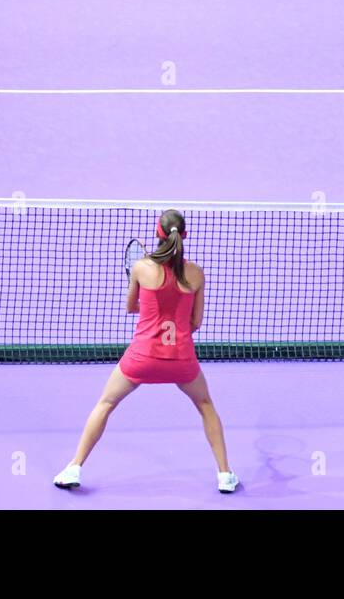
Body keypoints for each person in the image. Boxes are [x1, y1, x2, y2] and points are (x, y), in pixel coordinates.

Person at [53, 210, 239, 494]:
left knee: (105, 403)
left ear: (158, 234)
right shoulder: (196, 273)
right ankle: (225, 475)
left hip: (141, 360)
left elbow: (131, 307)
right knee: (205, 405)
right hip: (181, 361)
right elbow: (195, 323)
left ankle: (73, 467)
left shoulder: (141, 268)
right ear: (184, 235)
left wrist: (151, 309)